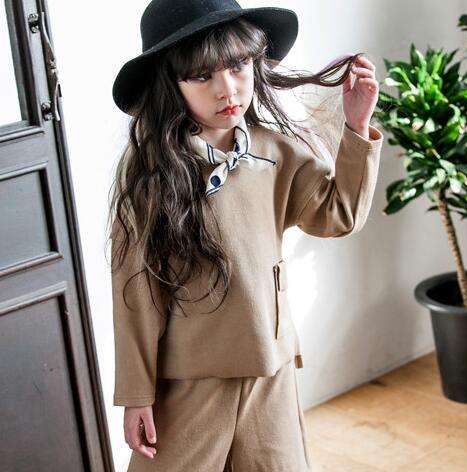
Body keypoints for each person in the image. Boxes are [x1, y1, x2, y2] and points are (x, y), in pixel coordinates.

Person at [108, 0, 384, 470]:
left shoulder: (275, 153)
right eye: (202, 76)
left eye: (238, 66)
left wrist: (356, 126)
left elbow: (338, 215)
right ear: (170, 84)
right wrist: (137, 394)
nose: (228, 89)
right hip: (190, 381)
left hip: (269, 370)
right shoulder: (151, 173)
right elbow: (136, 290)